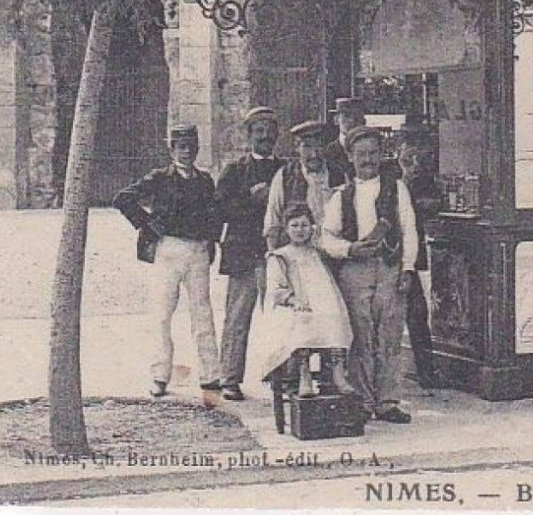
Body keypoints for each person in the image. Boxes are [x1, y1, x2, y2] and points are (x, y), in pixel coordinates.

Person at [112, 124, 224, 401]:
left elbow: (214, 214)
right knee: (162, 314)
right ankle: (160, 375)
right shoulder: (160, 178)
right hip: (168, 250)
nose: (186, 152)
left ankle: (210, 376)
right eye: (181, 147)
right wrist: (147, 225)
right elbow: (123, 199)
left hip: (197, 251)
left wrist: (210, 242)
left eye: (191, 147)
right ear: (171, 149)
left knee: (202, 314)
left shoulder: (205, 180)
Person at [320, 126, 419, 424]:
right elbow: (326, 237)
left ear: (381, 155)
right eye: (361, 154)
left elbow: (409, 230)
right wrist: (350, 249)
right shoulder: (341, 195)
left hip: (389, 267)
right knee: (360, 337)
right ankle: (362, 401)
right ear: (350, 157)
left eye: (373, 153)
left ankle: (388, 402)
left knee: (389, 336)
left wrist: (408, 267)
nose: (368, 160)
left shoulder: (396, 188)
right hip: (355, 271)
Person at [214, 105, 286, 401]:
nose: (265, 137)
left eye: (270, 132)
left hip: (277, 253)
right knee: (238, 317)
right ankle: (229, 378)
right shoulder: (235, 170)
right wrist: (250, 198)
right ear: (248, 135)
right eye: (259, 131)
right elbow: (218, 209)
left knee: (280, 317)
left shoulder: (286, 169)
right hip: (244, 252)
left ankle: (281, 375)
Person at [251, 202, 355, 399]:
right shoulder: (280, 256)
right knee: (302, 320)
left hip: (321, 305)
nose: (300, 230)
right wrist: (293, 300)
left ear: (312, 227)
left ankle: (338, 373)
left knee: (335, 317)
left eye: (304, 225)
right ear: (286, 228)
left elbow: (327, 285)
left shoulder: (318, 254)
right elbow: (276, 290)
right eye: (295, 225)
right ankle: (304, 374)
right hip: (292, 306)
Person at [398, 134, 444, 393]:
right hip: (390, 259)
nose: (414, 165)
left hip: (410, 261)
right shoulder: (390, 183)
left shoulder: (426, 185)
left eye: (420, 160)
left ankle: (426, 371)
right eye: (408, 160)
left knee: (417, 314)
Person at [264, 120, 348, 251]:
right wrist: (273, 254)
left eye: (319, 147)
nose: (314, 154)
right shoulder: (284, 176)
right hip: (298, 254)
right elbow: (272, 222)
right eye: (307, 146)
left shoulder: (339, 175)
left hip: (333, 252)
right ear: (297, 147)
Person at [321, 97, 367, 179]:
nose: (352, 120)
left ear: (364, 121)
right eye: (346, 116)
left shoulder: (371, 152)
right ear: (336, 120)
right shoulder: (326, 154)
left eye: (357, 116)